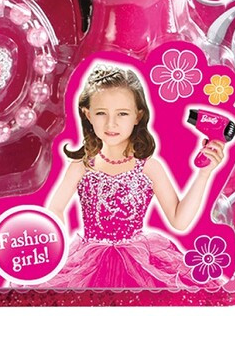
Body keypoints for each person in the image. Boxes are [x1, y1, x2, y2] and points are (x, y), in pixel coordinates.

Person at [46, 63, 224, 289]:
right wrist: (58, 248)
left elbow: (179, 220)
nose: (111, 123)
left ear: (138, 115)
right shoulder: (81, 167)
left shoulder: (150, 167)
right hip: (86, 263)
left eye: (122, 113)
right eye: (101, 113)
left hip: (139, 263)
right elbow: (55, 208)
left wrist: (204, 174)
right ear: (87, 114)